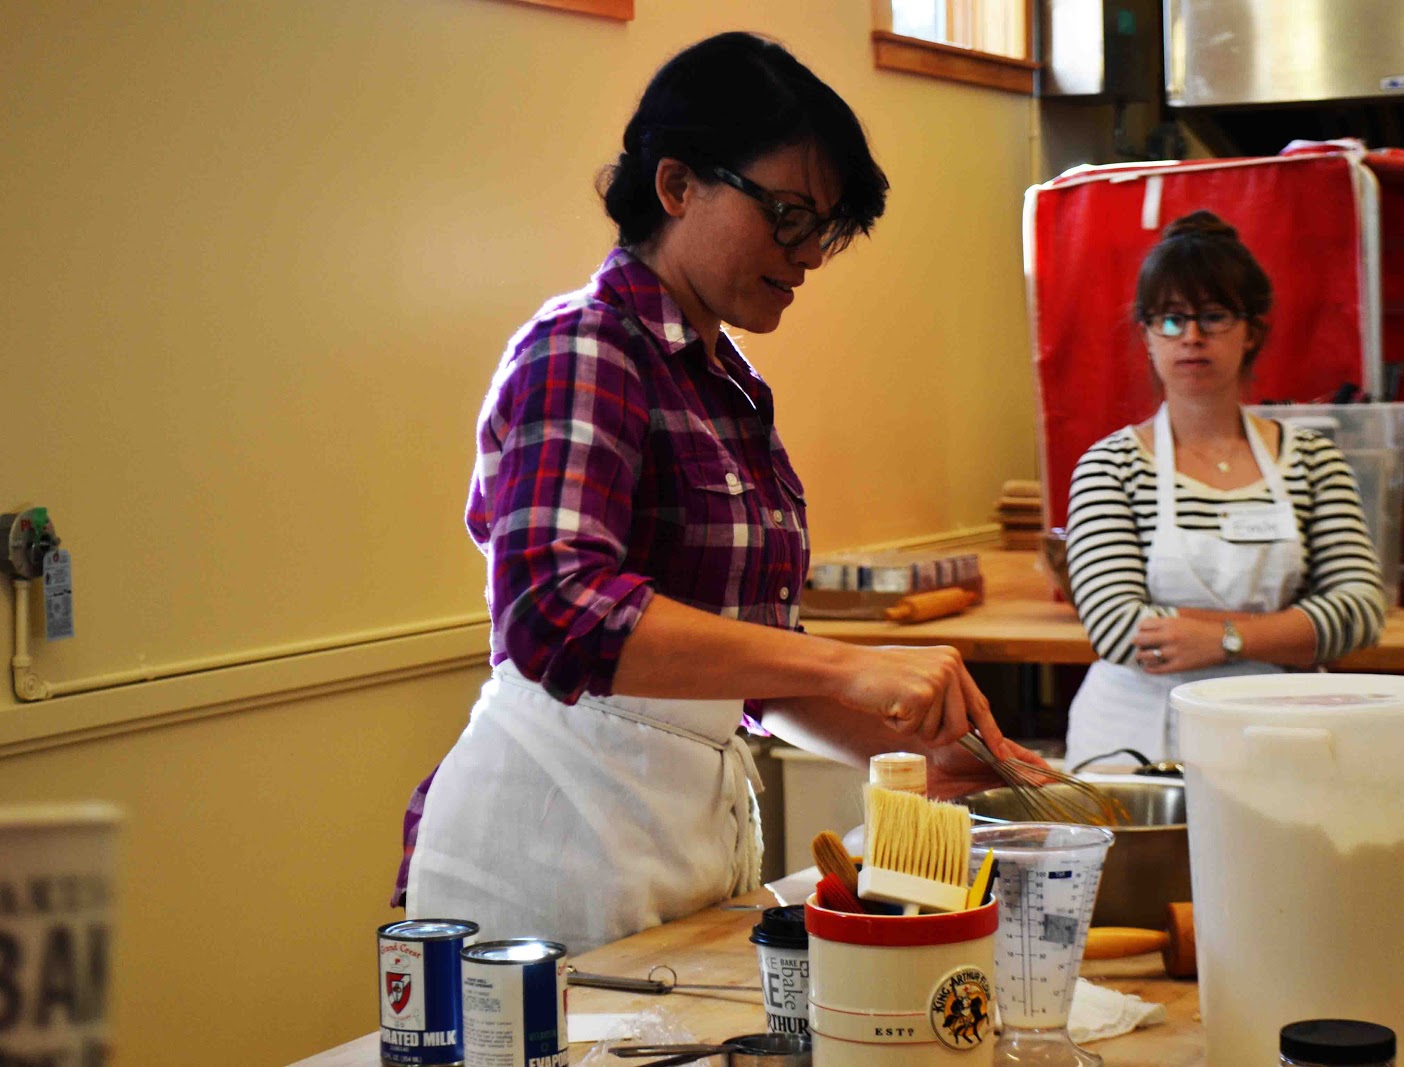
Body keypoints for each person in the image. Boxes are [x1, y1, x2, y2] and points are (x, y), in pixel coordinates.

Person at [393, 32, 1040, 955]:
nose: (809, 251)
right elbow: (553, 608)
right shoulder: (584, 347)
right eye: (787, 212)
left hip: (665, 838)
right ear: (676, 186)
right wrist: (848, 668)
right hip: (552, 840)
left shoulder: (720, 380)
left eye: (823, 226)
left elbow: (741, 661)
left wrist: (917, 755)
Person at [1063, 210, 1387, 767]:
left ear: (1251, 332)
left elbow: (1359, 611)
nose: (1190, 337)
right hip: (1133, 741)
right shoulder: (1110, 466)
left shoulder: (1312, 460)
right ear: (1146, 334)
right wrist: (1292, 627)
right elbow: (1116, 627)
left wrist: (1225, 639)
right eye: (1170, 319)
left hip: (1282, 732)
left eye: (1213, 316)